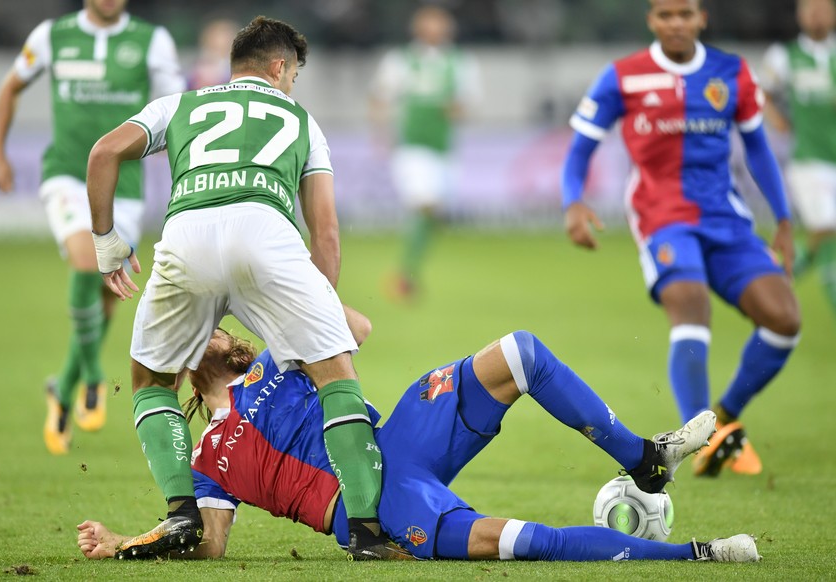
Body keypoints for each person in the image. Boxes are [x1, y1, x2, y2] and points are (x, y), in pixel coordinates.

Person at [86, 16, 391, 561]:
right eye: (293, 73)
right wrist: (315, 318)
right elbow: (325, 231)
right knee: (335, 376)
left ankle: (182, 512)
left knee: (150, 382)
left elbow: (104, 153)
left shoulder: (178, 106)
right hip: (266, 236)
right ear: (280, 67)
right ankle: (367, 533)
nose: (292, 83)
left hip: (188, 235)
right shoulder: (301, 120)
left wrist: (107, 244)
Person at [77, 325, 761, 564]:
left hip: (399, 435)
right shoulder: (201, 461)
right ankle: (696, 554)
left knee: (519, 354)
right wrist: (126, 545)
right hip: (373, 505)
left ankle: (644, 456)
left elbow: (355, 324)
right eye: (198, 327)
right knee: (522, 543)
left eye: (217, 319)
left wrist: (278, 298)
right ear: (178, 358)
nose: (216, 329)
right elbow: (210, 542)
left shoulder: (277, 356)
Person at [561, 0, 801, 479]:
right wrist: (574, 202)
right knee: (691, 305)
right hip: (661, 215)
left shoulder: (731, 73)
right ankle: (699, 439)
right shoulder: (623, 76)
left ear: (701, 18)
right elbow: (580, 149)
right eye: (665, 14)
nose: (675, 22)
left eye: (684, 14)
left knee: (784, 321)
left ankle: (725, 417)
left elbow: (756, 145)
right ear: (651, 20)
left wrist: (783, 217)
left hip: (726, 218)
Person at [0, 0, 185, 455]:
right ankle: (93, 374)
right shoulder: (51, 36)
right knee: (85, 258)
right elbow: (9, 88)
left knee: (106, 291)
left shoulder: (152, 41)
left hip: (126, 186)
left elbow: (176, 110)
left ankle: (63, 387)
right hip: (67, 173)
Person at [370, 5, 480, 300]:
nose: (436, 29)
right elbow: (380, 97)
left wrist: (455, 110)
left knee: (435, 212)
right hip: (412, 148)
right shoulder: (401, 61)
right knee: (425, 203)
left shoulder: (460, 62)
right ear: (418, 28)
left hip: (444, 149)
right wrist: (381, 132)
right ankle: (404, 275)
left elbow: (466, 106)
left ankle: (409, 271)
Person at [761, 0, 836, 319]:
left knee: (828, 240)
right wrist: (775, 117)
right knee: (828, 226)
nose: (816, 15)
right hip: (809, 160)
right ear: (800, 15)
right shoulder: (784, 56)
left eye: (823, 8)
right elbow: (760, 92)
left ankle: (778, 274)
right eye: (810, 9)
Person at [188, 18, 239, 90]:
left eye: (226, 35)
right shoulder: (199, 65)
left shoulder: (239, 64)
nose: (222, 40)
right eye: (218, 35)